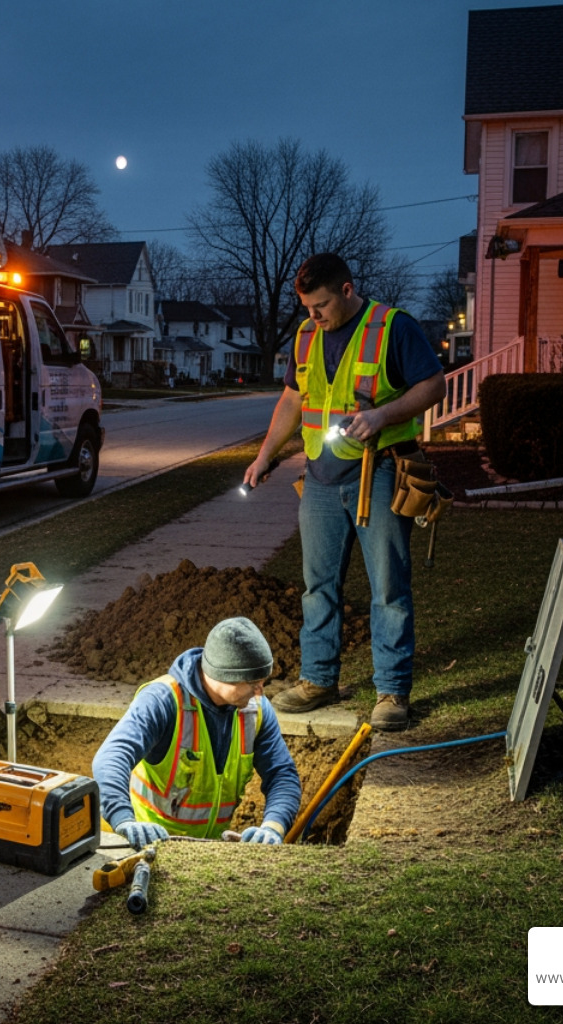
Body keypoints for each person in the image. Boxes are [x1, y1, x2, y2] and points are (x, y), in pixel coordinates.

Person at [243, 254, 445, 731]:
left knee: (388, 588)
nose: (313, 315)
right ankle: (318, 679)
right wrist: (265, 455)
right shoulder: (306, 335)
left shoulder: (392, 327)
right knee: (318, 587)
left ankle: (392, 690)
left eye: (321, 305)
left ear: (347, 290)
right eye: (307, 308)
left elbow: (434, 384)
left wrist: (381, 416)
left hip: (380, 471)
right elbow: (293, 398)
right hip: (319, 477)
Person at [92, 617, 302, 848]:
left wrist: (273, 827)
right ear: (224, 675)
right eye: (253, 684)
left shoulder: (256, 710)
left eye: (263, 682)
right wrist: (124, 819)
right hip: (146, 844)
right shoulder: (163, 700)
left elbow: (282, 775)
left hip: (208, 850)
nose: (260, 692)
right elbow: (111, 757)